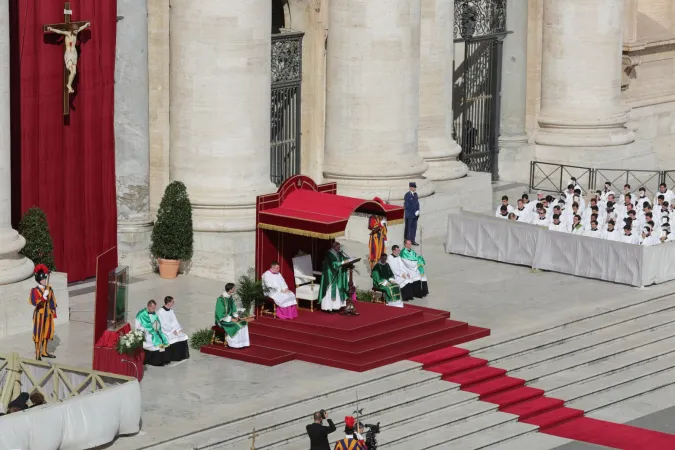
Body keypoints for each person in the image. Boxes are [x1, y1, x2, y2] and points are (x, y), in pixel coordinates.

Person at [45, 21, 91, 94]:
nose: (76, 32)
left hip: (74, 55)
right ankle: (69, 85)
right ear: (72, 30)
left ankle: (69, 85)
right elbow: (59, 32)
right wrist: (51, 29)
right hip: (69, 55)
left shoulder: (76, 33)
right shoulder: (68, 34)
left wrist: (86, 25)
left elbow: (81, 28)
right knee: (72, 71)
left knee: (74, 72)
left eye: (77, 30)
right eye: (75, 31)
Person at [29, 264, 57, 360]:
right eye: (43, 279)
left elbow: (53, 300)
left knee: (47, 332)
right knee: (38, 333)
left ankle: (44, 352)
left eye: (45, 279)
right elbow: (34, 302)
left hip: (47, 314)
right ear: (39, 280)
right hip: (39, 314)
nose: (45, 281)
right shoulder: (34, 290)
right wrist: (43, 297)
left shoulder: (49, 288)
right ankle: (37, 353)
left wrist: (53, 310)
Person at [136, 300, 170, 366]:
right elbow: (138, 327)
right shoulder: (141, 314)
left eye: (155, 308)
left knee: (163, 338)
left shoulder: (153, 313)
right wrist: (146, 330)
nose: (154, 310)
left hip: (153, 331)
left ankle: (162, 359)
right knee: (156, 341)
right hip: (145, 333)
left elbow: (156, 323)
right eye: (153, 308)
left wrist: (157, 330)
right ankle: (155, 361)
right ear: (148, 306)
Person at [215, 283, 250, 348]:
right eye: (233, 288)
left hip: (230, 317)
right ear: (230, 289)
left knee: (244, 323)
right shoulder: (220, 299)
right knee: (236, 325)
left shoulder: (230, 297)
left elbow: (233, 308)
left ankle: (242, 343)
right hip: (222, 320)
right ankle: (234, 344)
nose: (235, 289)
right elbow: (220, 314)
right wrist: (231, 319)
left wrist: (236, 316)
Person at [156, 296, 190, 362]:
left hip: (172, 329)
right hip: (164, 330)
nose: (173, 303)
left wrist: (178, 329)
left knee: (182, 335)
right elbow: (163, 324)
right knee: (173, 338)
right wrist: (172, 330)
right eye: (172, 302)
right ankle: (172, 357)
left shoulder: (171, 310)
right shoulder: (160, 312)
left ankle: (180, 356)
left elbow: (174, 321)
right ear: (168, 303)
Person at [318, 241, 350, 312]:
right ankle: (329, 307)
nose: (339, 249)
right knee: (330, 290)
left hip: (337, 274)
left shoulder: (338, 253)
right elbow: (333, 264)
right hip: (330, 276)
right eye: (337, 247)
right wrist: (342, 263)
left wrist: (348, 260)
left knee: (338, 290)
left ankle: (336, 307)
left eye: (339, 247)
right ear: (334, 247)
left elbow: (343, 259)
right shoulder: (329, 254)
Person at [368, 197, 388, 269]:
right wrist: (379, 225)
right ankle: (373, 270)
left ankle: (380, 268)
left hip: (381, 238)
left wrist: (385, 238)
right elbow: (371, 227)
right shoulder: (372, 217)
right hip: (374, 238)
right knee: (374, 254)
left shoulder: (382, 217)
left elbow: (385, 229)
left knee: (381, 253)